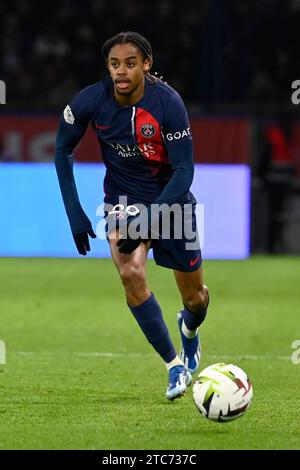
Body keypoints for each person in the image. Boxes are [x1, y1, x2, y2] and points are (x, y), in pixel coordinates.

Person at [55, 31, 209, 400]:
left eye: (129, 63)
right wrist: (74, 212)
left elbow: (185, 171)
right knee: (130, 272)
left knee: (196, 300)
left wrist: (153, 218)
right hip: (123, 200)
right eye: (114, 64)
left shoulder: (168, 103)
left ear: (146, 64)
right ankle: (174, 367)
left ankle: (188, 331)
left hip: (172, 200)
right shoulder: (90, 100)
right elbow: (62, 149)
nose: (121, 72)